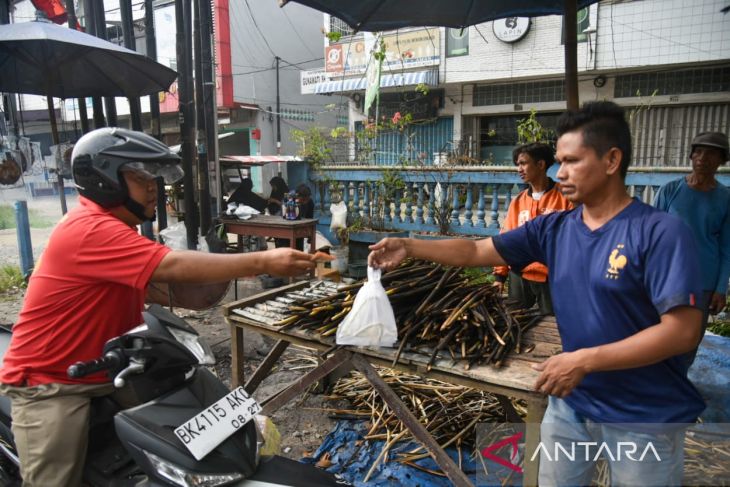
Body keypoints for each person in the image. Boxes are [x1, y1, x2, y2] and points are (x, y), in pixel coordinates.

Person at [369, 101, 705, 486]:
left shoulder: (659, 233)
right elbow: (477, 250)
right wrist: (410, 246)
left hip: (642, 415)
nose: (559, 173)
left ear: (612, 160)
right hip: (572, 403)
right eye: (559, 161)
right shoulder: (554, 228)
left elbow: (682, 331)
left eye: (572, 161)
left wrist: (584, 361)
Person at [0, 127, 315, 487]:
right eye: (140, 178)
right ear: (104, 180)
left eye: (155, 178)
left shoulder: (120, 230)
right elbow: (173, 265)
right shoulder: (90, 229)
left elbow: (166, 287)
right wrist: (263, 261)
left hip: (106, 368)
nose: (154, 188)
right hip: (52, 381)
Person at [654, 131, 730, 333]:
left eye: (711, 154)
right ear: (691, 156)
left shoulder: (725, 198)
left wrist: (721, 289)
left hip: (704, 279)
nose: (703, 158)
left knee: (690, 336)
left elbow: (726, 247)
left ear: (722, 160)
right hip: (668, 275)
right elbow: (652, 236)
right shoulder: (669, 190)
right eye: (698, 152)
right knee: (657, 332)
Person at [493, 142, 573, 314]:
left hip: (553, 277)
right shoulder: (518, 202)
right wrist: (499, 276)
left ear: (541, 164)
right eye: (517, 165)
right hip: (520, 275)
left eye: (523, 163)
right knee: (515, 321)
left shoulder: (566, 197)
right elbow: (505, 238)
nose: (519, 169)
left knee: (553, 324)